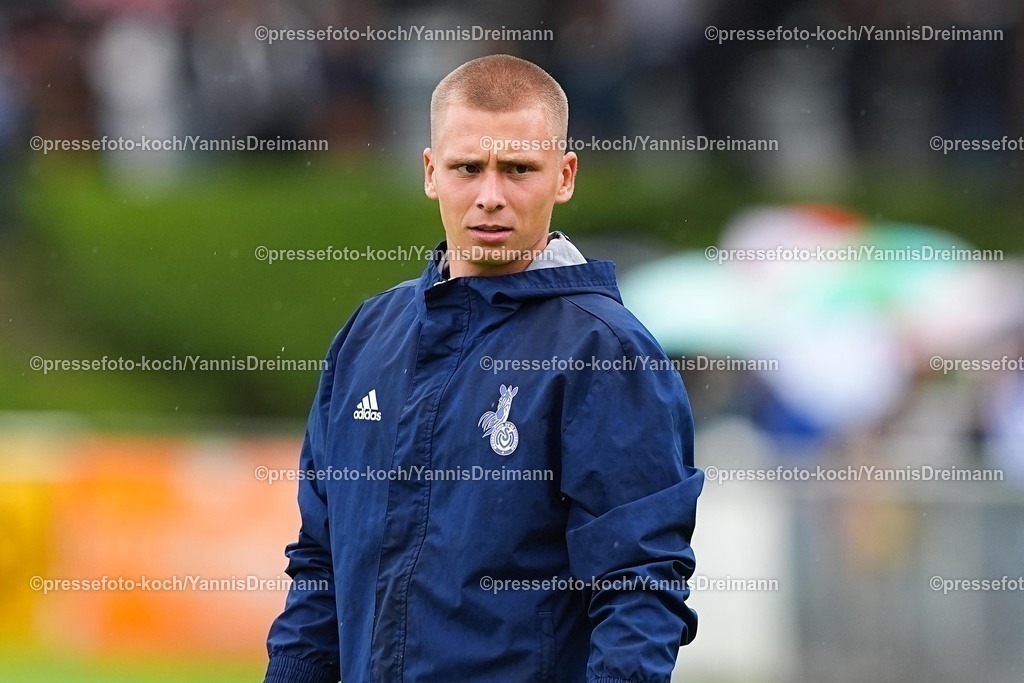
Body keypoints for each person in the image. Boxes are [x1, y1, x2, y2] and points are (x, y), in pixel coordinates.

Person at [264, 53, 703, 683]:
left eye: (519, 169)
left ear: (565, 175)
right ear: (430, 172)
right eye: (468, 168)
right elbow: (319, 563)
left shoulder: (605, 351)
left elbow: (639, 585)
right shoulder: (369, 334)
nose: (490, 196)